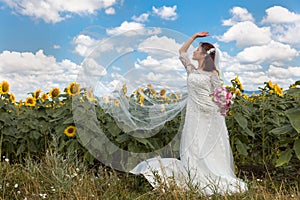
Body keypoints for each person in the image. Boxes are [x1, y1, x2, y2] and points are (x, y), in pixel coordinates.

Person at [130, 32, 247, 195]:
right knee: (193, 144)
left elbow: (220, 94)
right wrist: (194, 37)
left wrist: (223, 105)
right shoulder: (191, 70)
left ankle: (211, 174)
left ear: (204, 56)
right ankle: (194, 173)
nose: (194, 52)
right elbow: (181, 52)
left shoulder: (213, 74)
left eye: (197, 50)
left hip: (209, 114)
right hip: (193, 114)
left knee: (207, 145)